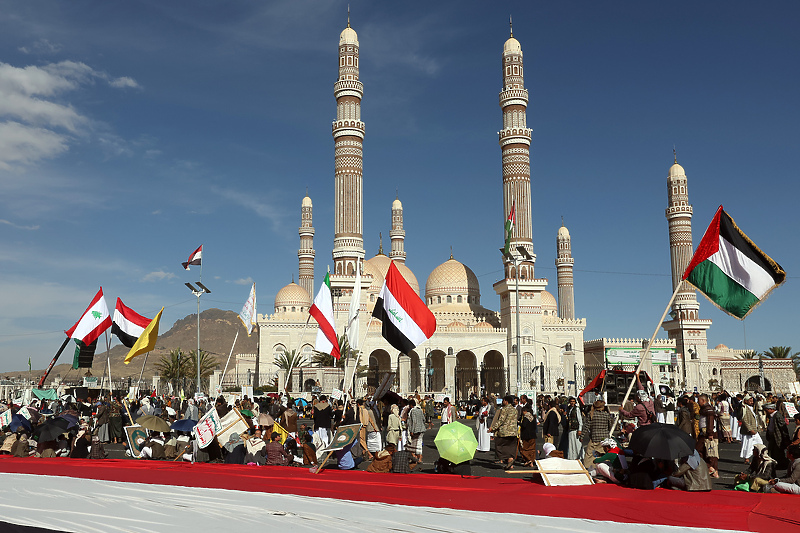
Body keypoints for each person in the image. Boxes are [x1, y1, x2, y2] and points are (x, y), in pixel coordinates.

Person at [489, 395, 518, 470]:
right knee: (511, 447)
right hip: (513, 432)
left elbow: (501, 420)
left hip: (504, 432)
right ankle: (510, 460)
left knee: (500, 446)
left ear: (506, 401)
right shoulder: (515, 410)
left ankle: (505, 459)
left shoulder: (504, 410)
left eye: (503, 400)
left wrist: (493, 428)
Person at [583, 399, 614, 470]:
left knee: (589, 453)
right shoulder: (606, 415)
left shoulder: (591, 414)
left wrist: (582, 435)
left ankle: (588, 466)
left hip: (594, 437)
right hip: (605, 437)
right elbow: (610, 425)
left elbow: (586, 426)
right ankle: (603, 466)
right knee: (603, 453)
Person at [764, 403, 790, 469]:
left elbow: (783, 428)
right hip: (772, 436)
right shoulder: (771, 416)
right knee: (771, 451)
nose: (765, 412)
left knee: (777, 452)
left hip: (777, 437)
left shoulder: (777, 415)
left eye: (766, 410)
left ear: (771, 409)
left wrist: (786, 438)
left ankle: (782, 465)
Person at [740, 394, 763, 464]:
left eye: (752, 400)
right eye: (750, 400)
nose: (752, 402)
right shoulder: (744, 408)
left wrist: (758, 427)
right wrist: (750, 429)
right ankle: (746, 459)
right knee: (748, 445)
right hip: (749, 431)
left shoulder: (750, 408)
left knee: (759, 443)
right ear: (746, 401)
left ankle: (759, 457)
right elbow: (744, 420)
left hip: (755, 430)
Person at [564, 397, 584, 461]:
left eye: (573, 401)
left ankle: (580, 456)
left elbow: (580, 420)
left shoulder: (577, 409)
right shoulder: (569, 409)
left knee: (577, 443)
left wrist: (580, 429)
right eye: (571, 401)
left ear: (575, 402)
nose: (572, 402)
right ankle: (572, 457)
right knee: (571, 443)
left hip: (576, 428)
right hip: (570, 429)